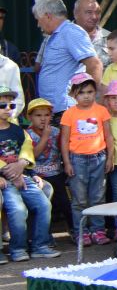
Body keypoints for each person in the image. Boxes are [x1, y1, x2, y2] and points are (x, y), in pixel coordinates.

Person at [0, 90, 56, 261]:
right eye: (3, 105)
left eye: (11, 105)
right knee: (18, 210)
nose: (8, 108)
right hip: (5, 180)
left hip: (22, 176)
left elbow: (27, 150)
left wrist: (22, 166)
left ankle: (40, 245)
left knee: (44, 205)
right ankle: (17, 249)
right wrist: (9, 171)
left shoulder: (18, 131)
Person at [61, 73, 112, 246]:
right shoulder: (69, 114)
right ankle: (81, 232)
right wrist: (67, 162)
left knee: (98, 197)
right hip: (77, 160)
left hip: (99, 158)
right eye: (82, 92)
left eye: (90, 92)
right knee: (79, 199)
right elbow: (64, 140)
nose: (86, 96)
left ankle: (98, 230)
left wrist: (110, 157)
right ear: (74, 94)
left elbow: (108, 135)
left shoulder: (101, 110)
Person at [33, 0, 102, 113]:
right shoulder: (56, 35)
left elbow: (94, 65)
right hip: (56, 110)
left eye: (38, 19)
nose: (38, 24)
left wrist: (87, 101)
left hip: (67, 109)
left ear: (47, 16)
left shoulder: (70, 32)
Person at [22, 98, 66, 233]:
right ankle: (44, 235)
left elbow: (62, 149)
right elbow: (32, 156)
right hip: (38, 176)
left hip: (56, 173)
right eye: (38, 115)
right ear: (29, 117)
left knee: (65, 204)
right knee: (41, 207)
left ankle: (75, 232)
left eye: (47, 115)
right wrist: (45, 137)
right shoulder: (27, 134)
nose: (43, 119)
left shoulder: (56, 132)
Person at [73, 0, 109, 65]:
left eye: (98, 12)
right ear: (76, 13)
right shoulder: (60, 37)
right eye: (89, 12)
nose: (94, 17)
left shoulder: (110, 38)